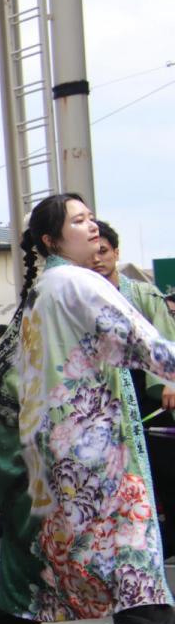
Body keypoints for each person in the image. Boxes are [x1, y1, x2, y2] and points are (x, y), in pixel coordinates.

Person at [0, 195, 175, 624]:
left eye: (91, 218)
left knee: (56, 548)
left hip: (55, 444)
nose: (92, 228)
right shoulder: (77, 282)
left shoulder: (40, 291)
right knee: (129, 541)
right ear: (50, 240)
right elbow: (143, 342)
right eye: (78, 221)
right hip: (94, 445)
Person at [93, 219, 175, 558]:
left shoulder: (142, 294)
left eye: (104, 251)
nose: (97, 258)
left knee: (163, 471)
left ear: (115, 252)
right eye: (92, 252)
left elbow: (165, 338)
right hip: (105, 396)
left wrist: (169, 381)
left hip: (145, 391)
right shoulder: (84, 296)